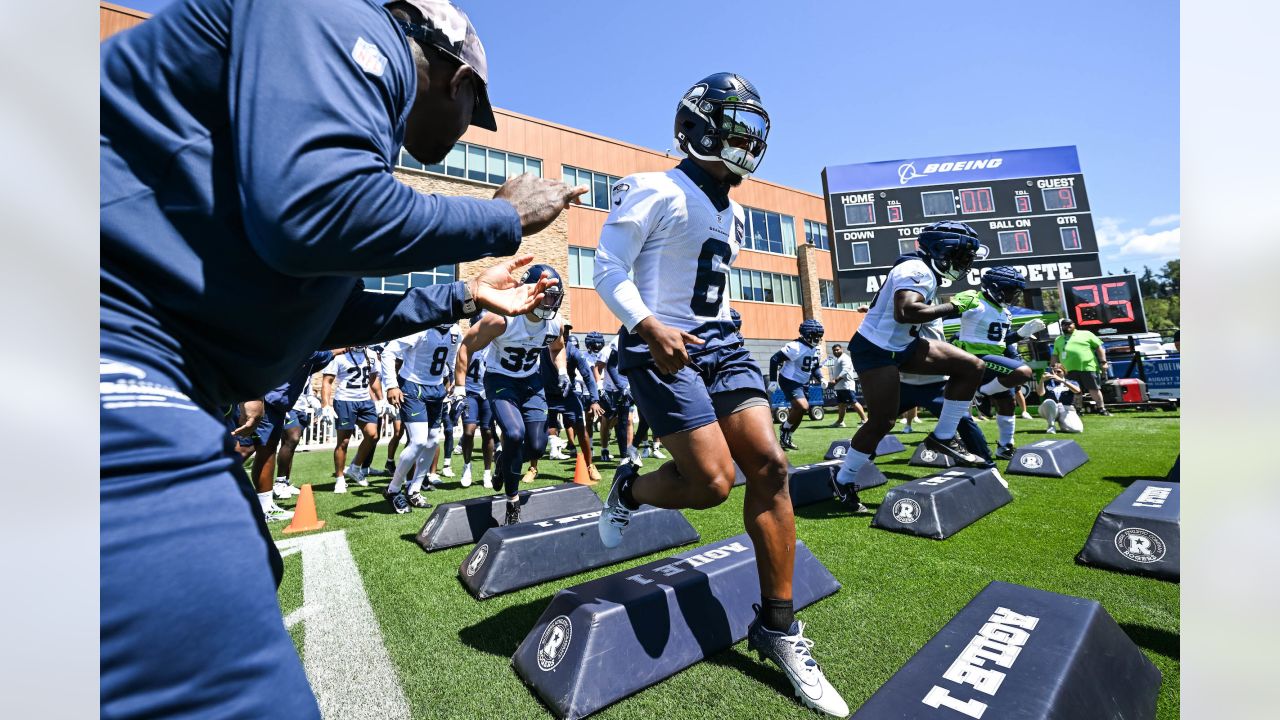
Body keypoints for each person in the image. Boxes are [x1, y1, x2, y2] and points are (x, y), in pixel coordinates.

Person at [100, 0, 584, 715]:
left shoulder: (338, 118)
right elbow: (314, 211)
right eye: (473, 117)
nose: (465, 136)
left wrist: (461, 297)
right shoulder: (342, 16)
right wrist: (504, 218)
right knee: (225, 685)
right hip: (101, 326)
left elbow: (326, 303)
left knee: (239, 575)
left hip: (150, 350)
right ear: (456, 82)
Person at [593, 73, 847, 717]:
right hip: (657, 343)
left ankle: (779, 626)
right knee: (711, 484)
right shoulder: (654, 187)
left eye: (749, 129)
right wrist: (648, 325)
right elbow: (607, 268)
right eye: (734, 126)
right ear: (700, 126)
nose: (745, 141)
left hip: (722, 344)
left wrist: (725, 328)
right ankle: (631, 488)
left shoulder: (730, 208)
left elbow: (708, 285)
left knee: (770, 465)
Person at [832, 220, 988, 505]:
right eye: (960, 256)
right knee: (882, 422)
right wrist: (955, 306)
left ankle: (943, 436)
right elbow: (906, 311)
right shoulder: (916, 269)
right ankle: (843, 479)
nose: (963, 263)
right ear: (940, 250)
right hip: (876, 350)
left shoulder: (924, 270)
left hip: (902, 345)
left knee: (971, 366)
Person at [455, 265, 569, 526]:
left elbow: (557, 348)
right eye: (542, 294)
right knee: (514, 434)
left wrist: (562, 371)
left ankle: (502, 459)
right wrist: (459, 389)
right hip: (500, 379)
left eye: (552, 296)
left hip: (531, 382)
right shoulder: (502, 319)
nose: (548, 301)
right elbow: (466, 347)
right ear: (526, 291)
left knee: (537, 447)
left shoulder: (555, 323)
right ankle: (512, 502)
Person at [951, 266, 1047, 460]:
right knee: (1023, 373)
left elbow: (1000, 342)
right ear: (996, 287)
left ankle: (1005, 446)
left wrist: (1021, 334)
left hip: (994, 360)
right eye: (1012, 290)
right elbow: (940, 316)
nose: (1015, 295)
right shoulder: (974, 301)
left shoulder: (1005, 312)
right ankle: (981, 395)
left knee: (1008, 403)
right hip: (972, 360)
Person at [381, 323, 462, 513]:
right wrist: (391, 385)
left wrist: (450, 379)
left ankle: (414, 490)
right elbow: (388, 353)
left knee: (432, 441)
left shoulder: (455, 332)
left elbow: (451, 357)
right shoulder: (420, 328)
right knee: (418, 441)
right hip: (412, 385)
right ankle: (393, 490)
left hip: (436, 387)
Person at [529, 326, 605, 483]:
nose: (563, 335)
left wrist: (595, 400)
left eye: (566, 332)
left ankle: (590, 465)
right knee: (536, 431)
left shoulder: (573, 352)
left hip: (567, 395)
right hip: (545, 395)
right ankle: (533, 468)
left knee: (581, 429)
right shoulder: (542, 348)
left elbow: (588, 376)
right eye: (561, 332)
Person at [769, 320, 826, 450]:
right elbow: (774, 359)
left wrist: (821, 378)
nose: (817, 339)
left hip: (803, 381)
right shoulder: (795, 347)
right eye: (814, 336)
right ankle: (784, 429)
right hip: (789, 380)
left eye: (819, 336)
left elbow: (815, 366)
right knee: (802, 406)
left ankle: (787, 436)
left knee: (801, 410)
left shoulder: (816, 348)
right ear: (806, 334)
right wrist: (773, 380)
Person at [1051, 317, 1111, 415]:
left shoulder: (1086, 334)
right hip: (1068, 369)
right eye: (1064, 324)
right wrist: (1053, 366)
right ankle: (1078, 410)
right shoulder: (1058, 339)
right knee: (1074, 390)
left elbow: (1099, 347)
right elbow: (1055, 354)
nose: (1067, 326)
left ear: (1074, 324)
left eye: (1069, 324)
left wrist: (1103, 362)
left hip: (1087, 367)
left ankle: (1101, 409)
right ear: (1061, 326)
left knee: (1094, 389)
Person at [460, 343, 496, 489]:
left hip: (488, 393)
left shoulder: (495, 346)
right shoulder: (469, 346)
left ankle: (487, 472)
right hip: (470, 392)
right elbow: (459, 367)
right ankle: (467, 466)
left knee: (487, 431)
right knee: (469, 431)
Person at [828, 343, 866, 428]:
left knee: (853, 402)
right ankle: (840, 422)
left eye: (837, 349)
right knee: (841, 404)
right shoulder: (837, 359)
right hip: (840, 386)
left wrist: (836, 380)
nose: (836, 351)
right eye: (834, 350)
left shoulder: (845, 358)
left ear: (842, 349)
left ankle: (865, 420)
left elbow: (845, 371)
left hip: (847, 386)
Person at [1038, 363, 1084, 433]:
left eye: (1058, 371)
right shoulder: (1047, 382)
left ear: (1064, 372)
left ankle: (1063, 423)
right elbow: (1040, 393)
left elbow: (1077, 390)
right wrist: (1041, 380)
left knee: (1077, 430)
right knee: (1049, 402)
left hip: (1066, 409)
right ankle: (1051, 426)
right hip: (1049, 408)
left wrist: (1062, 381)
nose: (1055, 373)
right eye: (1053, 371)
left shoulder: (1071, 382)